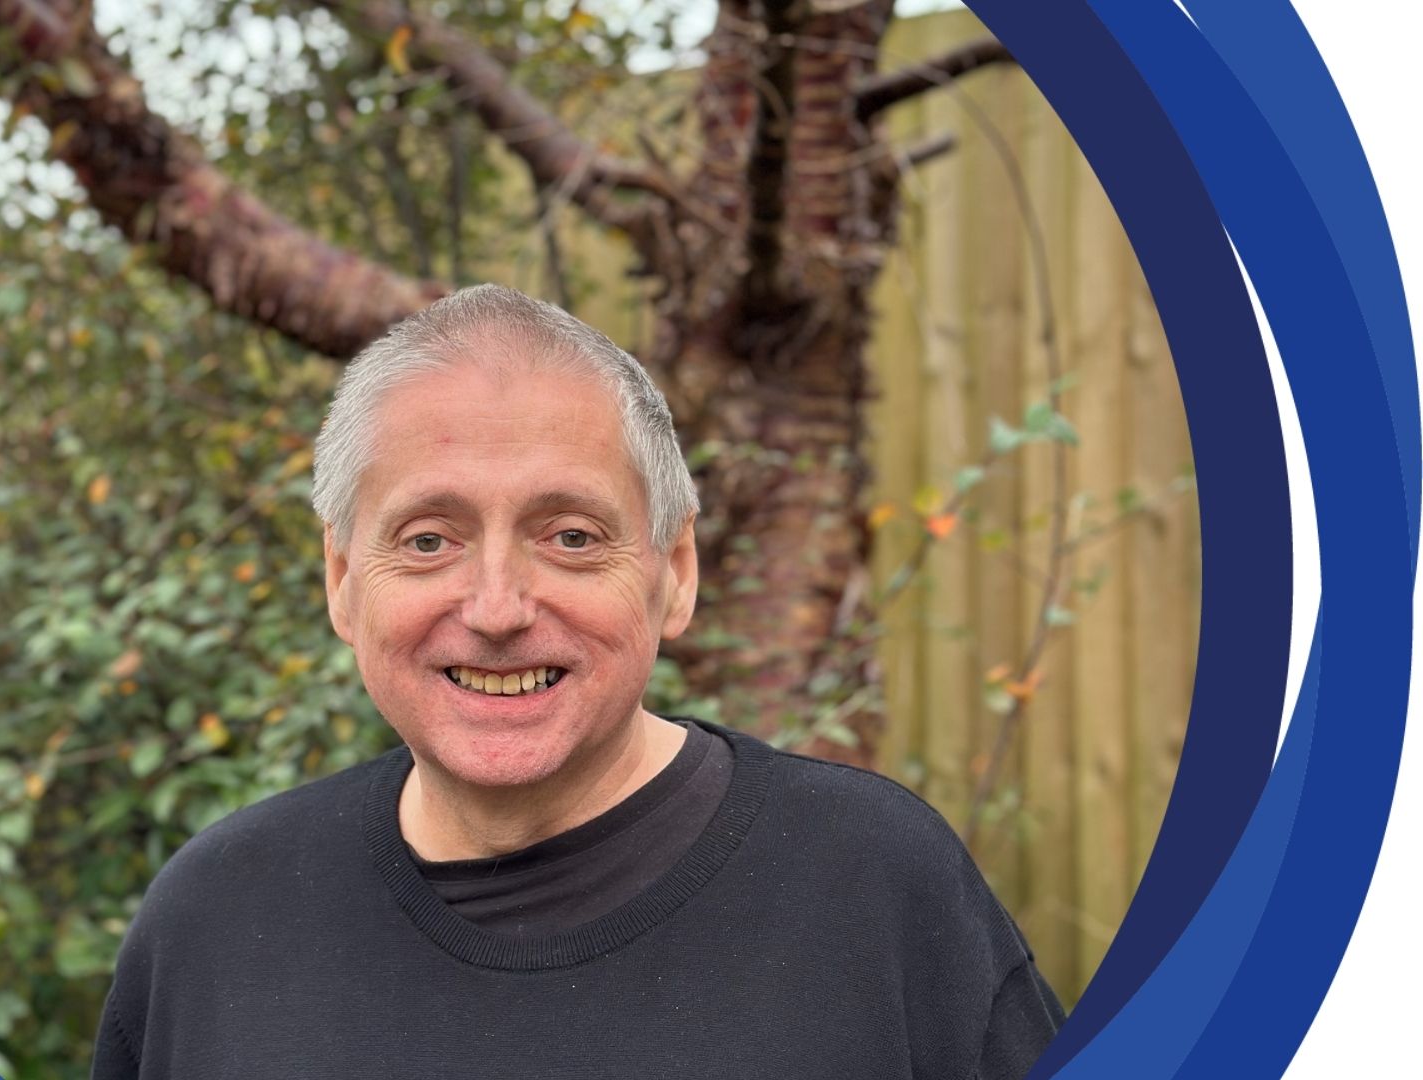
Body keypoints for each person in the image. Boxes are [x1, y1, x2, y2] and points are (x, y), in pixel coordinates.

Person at [90, 284, 1065, 1079]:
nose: (498, 606)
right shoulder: (215, 924)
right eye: (428, 540)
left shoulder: (878, 891)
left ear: (674, 572)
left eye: (570, 536)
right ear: (343, 581)